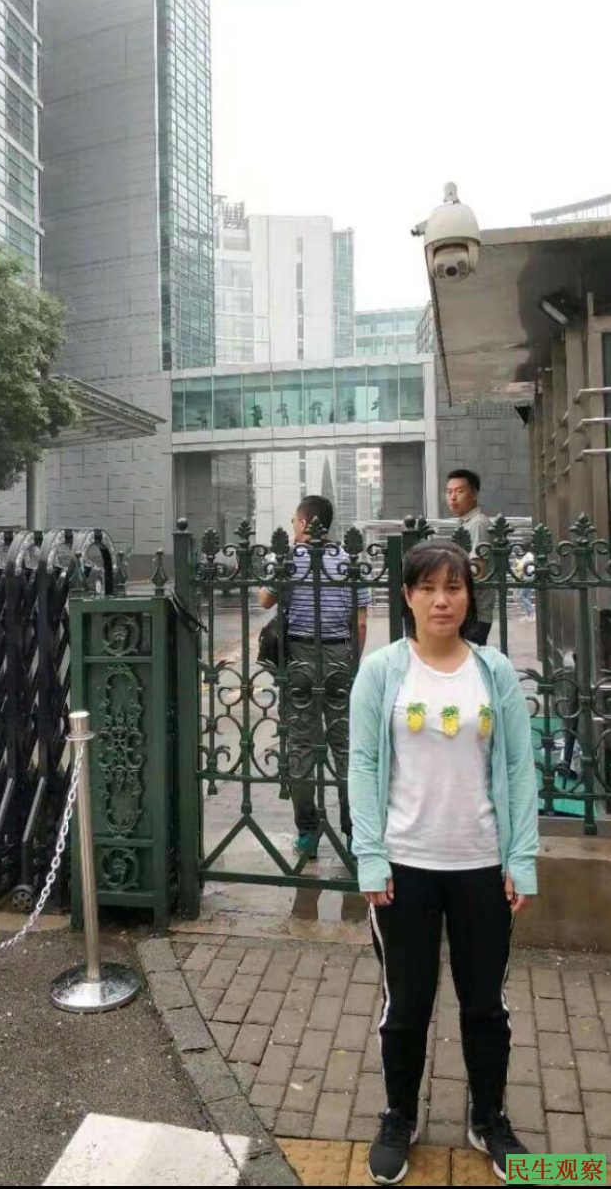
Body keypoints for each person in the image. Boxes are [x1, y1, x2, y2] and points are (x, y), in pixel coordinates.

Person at [348, 539, 538, 1186]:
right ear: (407, 596)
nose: (441, 601)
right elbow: (362, 766)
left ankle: (489, 1117)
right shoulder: (382, 672)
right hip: (404, 868)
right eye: (428, 588)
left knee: (485, 1005)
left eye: (453, 588)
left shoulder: (494, 672)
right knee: (406, 1004)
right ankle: (399, 1115)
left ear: (468, 596)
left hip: (482, 865)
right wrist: (370, 858)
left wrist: (521, 859)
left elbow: (519, 767)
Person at [259, 495, 371, 857]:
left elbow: (264, 600)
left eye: (294, 522)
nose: (292, 527)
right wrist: (352, 663)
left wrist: (280, 566)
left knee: (301, 746)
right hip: (340, 655)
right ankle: (354, 833)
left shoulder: (290, 559)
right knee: (345, 746)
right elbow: (361, 621)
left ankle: (308, 834)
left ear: (305, 524)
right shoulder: (350, 560)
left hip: (300, 657)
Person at [446, 468, 494, 645]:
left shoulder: (478, 523)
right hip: (466, 611)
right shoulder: (465, 524)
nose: (452, 497)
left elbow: (477, 571)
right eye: (449, 492)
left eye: (459, 491)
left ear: (474, 494)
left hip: (474, 614)